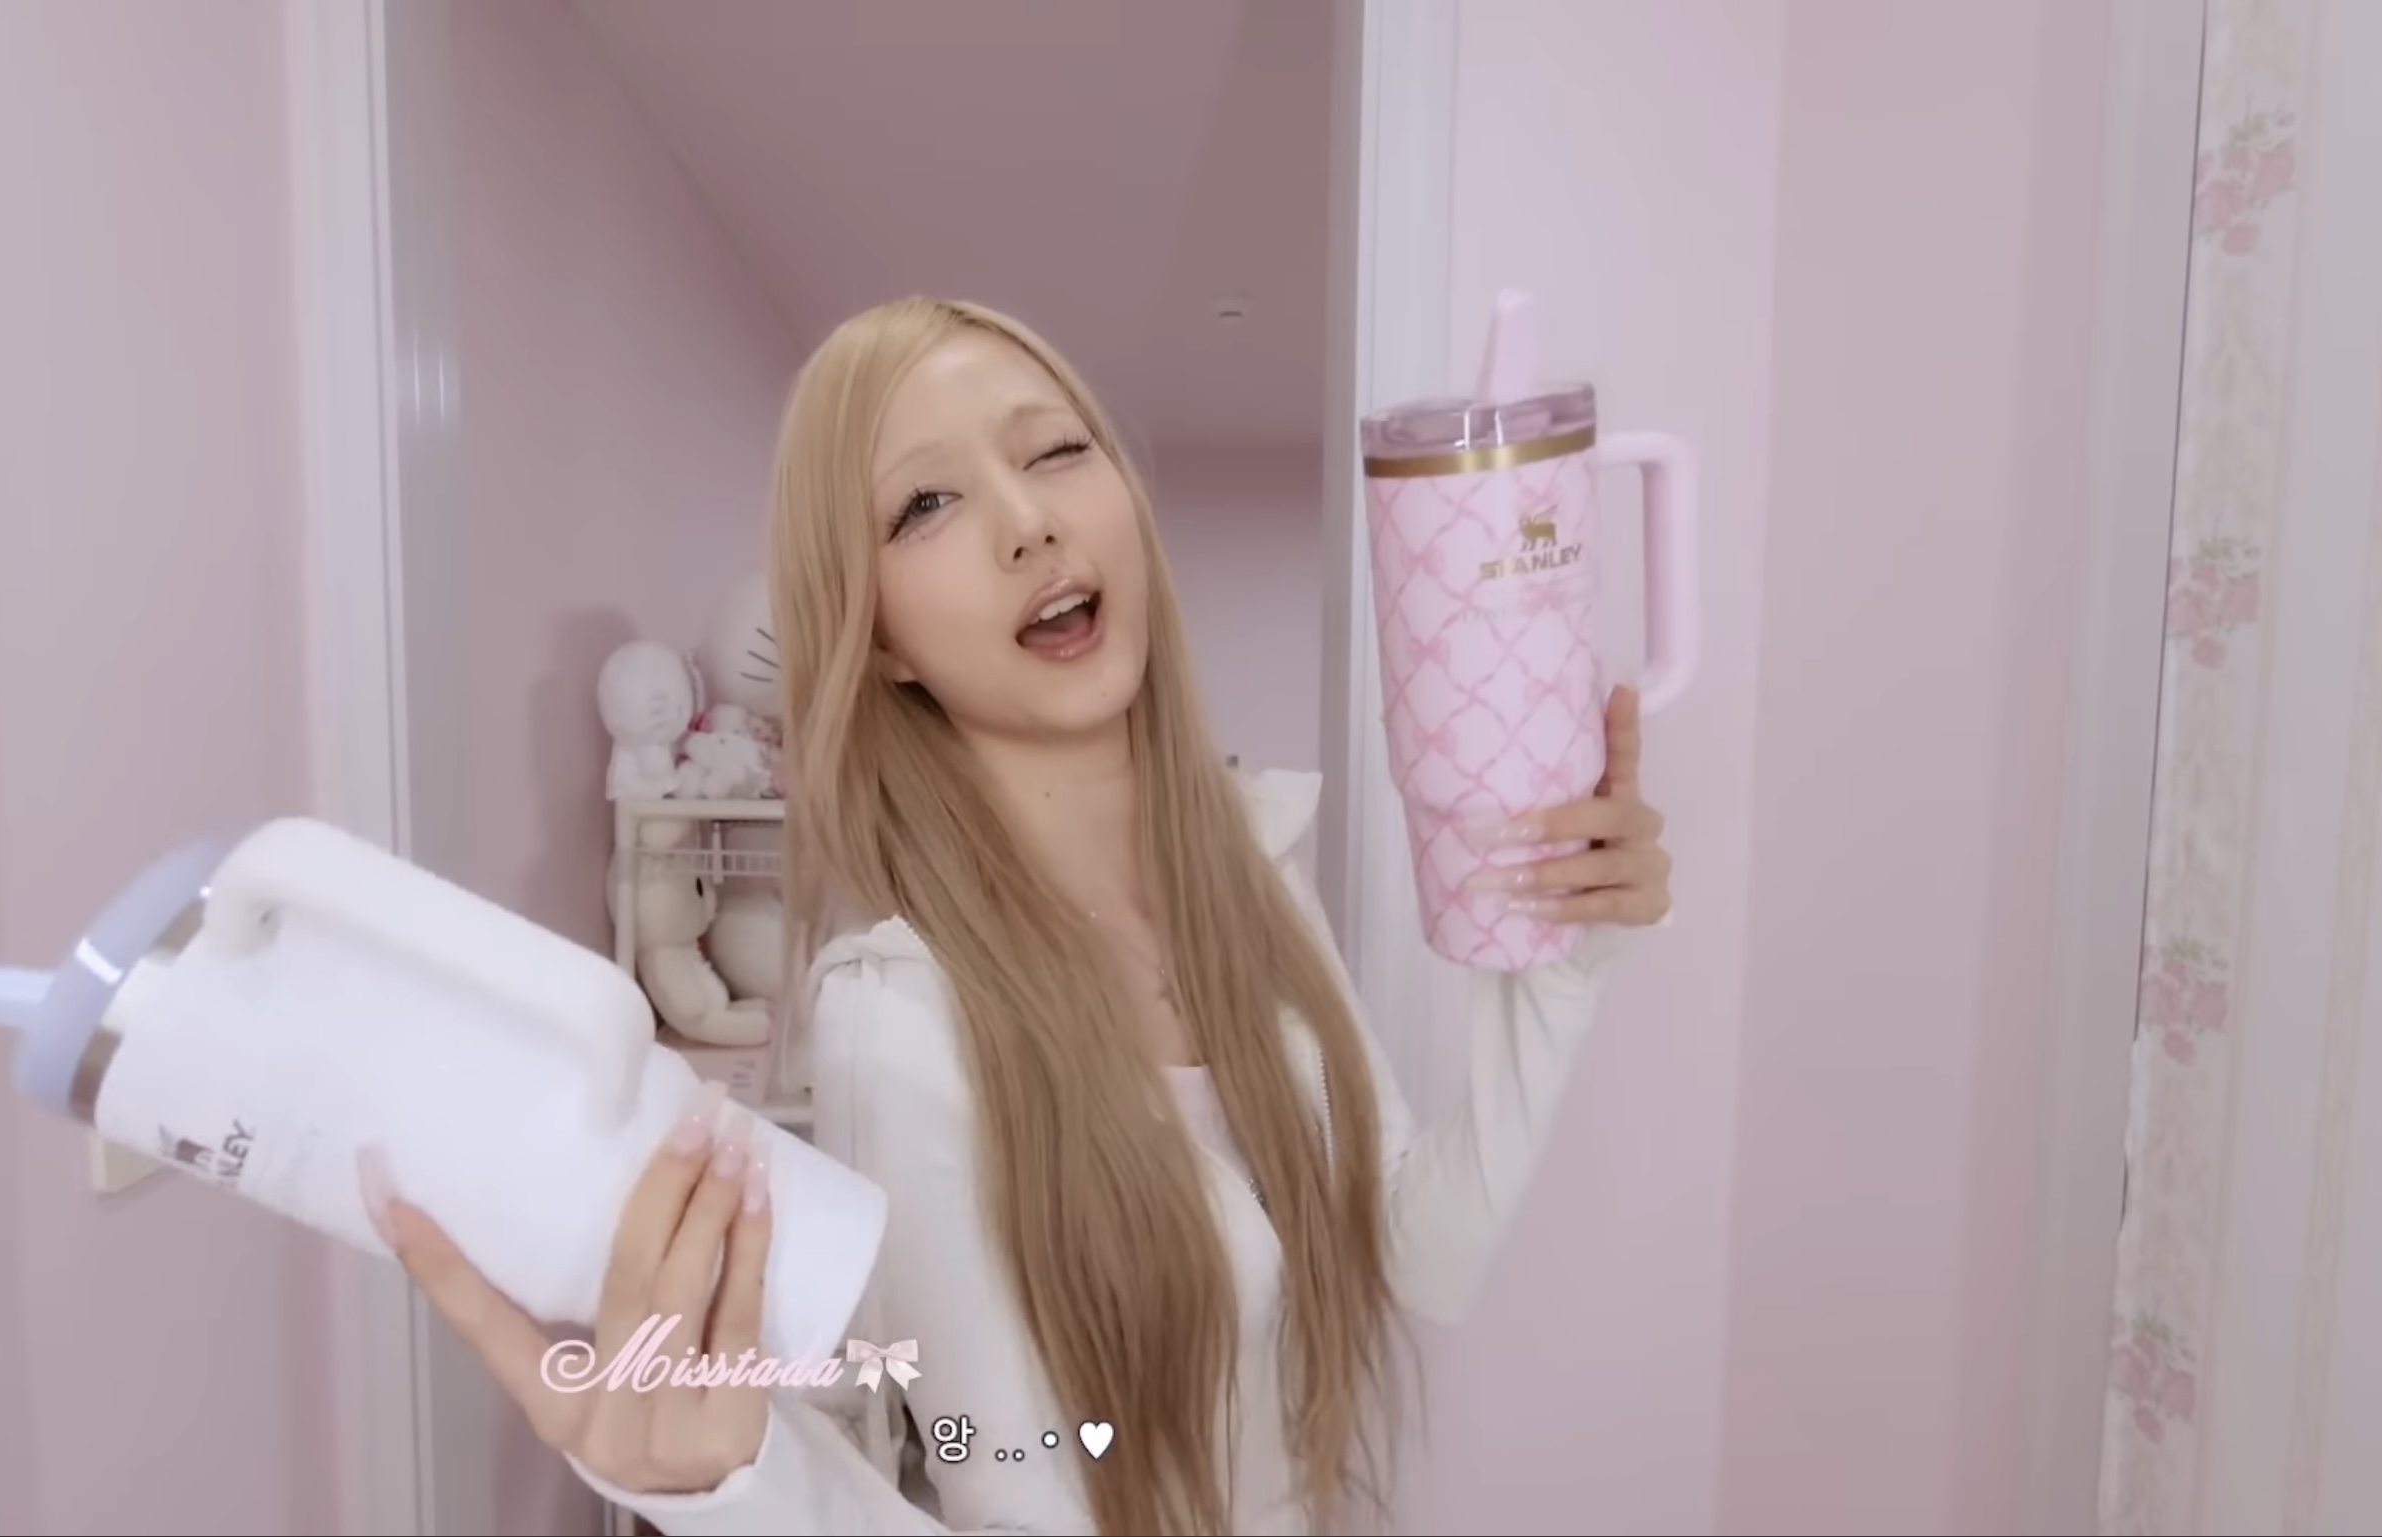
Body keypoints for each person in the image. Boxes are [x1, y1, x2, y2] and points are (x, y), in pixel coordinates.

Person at [364, 297, 1675, 1535]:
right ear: (879, 636)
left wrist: (1561, 961)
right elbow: (1006, 1483)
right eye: (926, 503)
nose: (1029, 523)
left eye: (1055, 451)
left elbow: (1417, 1254)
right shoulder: (902, 1016)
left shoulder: (1252, 866)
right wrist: (741, 1490)